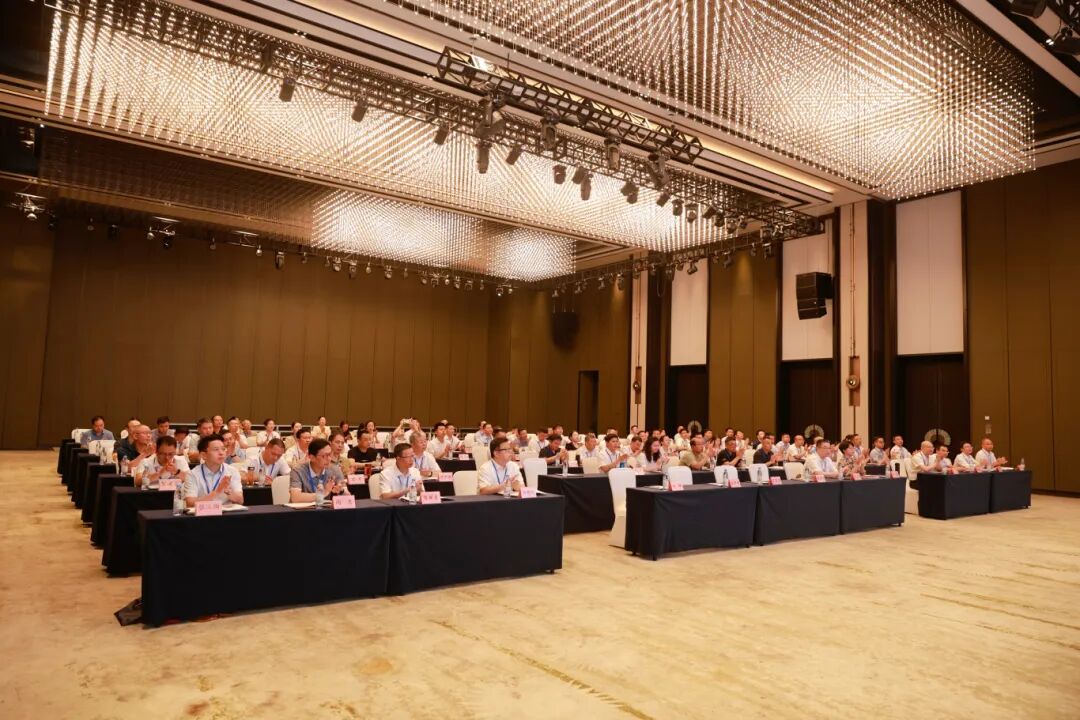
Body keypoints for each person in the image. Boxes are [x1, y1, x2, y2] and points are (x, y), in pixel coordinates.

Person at [183, 434, 243, 507]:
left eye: (223, 449)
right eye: (216, 449)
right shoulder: (193, 474)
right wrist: (217, 492)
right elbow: (190, 503)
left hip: (225, 513)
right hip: (203, 513)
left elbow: (240, 500)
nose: (221, 453)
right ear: (203, 455)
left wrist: (228, 491)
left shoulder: (232, 471)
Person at [289, 438, 347, 503]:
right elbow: (295, 497)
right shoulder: (298, 471)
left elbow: (348, 496)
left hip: (324, 508)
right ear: (312, 457)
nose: (329, 459)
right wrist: (324, 493)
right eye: (324, 456)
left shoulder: (335, 470)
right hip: (302, 509)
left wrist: (341, 491)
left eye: (330, 454)